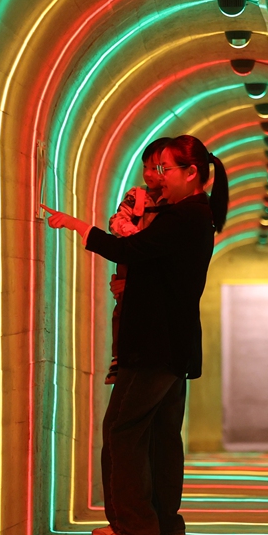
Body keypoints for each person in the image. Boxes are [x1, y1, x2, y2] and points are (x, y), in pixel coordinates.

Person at [41, 135, 228, 535]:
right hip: (171, 345)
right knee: (161, 436)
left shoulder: (186, 217)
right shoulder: (190, 216)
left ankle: (134, 524)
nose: (157, 178)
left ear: (191, 173)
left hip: (153, 345)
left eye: (165, 169)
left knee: (122, 430)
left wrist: (76, 225)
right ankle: (165, 524)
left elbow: (134, 250)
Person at [104, 137, 172, 385]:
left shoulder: (174, 200)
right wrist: (134, 235)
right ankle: (118, 356)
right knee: (123, 308)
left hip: (155, 265)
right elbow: (115, 222)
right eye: (146, 167)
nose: (149, 174)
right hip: (133, 260)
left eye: (157, 168)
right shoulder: (137, 196)